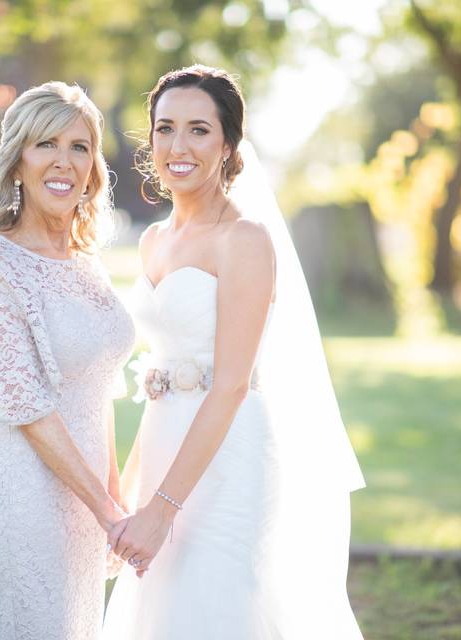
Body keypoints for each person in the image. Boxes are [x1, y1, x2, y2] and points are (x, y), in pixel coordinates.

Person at [103, 65, 366, 639]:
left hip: (229, 457)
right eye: (165, 128)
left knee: (216, 605)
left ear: (228, 145)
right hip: (167, 450)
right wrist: (129, 493)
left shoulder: (245, 240)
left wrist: (162, 511)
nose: (179, 145)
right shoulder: (153, 240)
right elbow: (161, 375)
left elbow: (229, 386)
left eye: (198, 129)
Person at [0, 81, 134, 640]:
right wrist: (106, 511)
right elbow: (28, 408)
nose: (64, 162)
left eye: (80, 146)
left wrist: (111, 497)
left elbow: (100, 386)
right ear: (17, 162)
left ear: (93, 168)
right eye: (46, 145)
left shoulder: (89, 266)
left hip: (87, 502)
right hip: (28, 497)